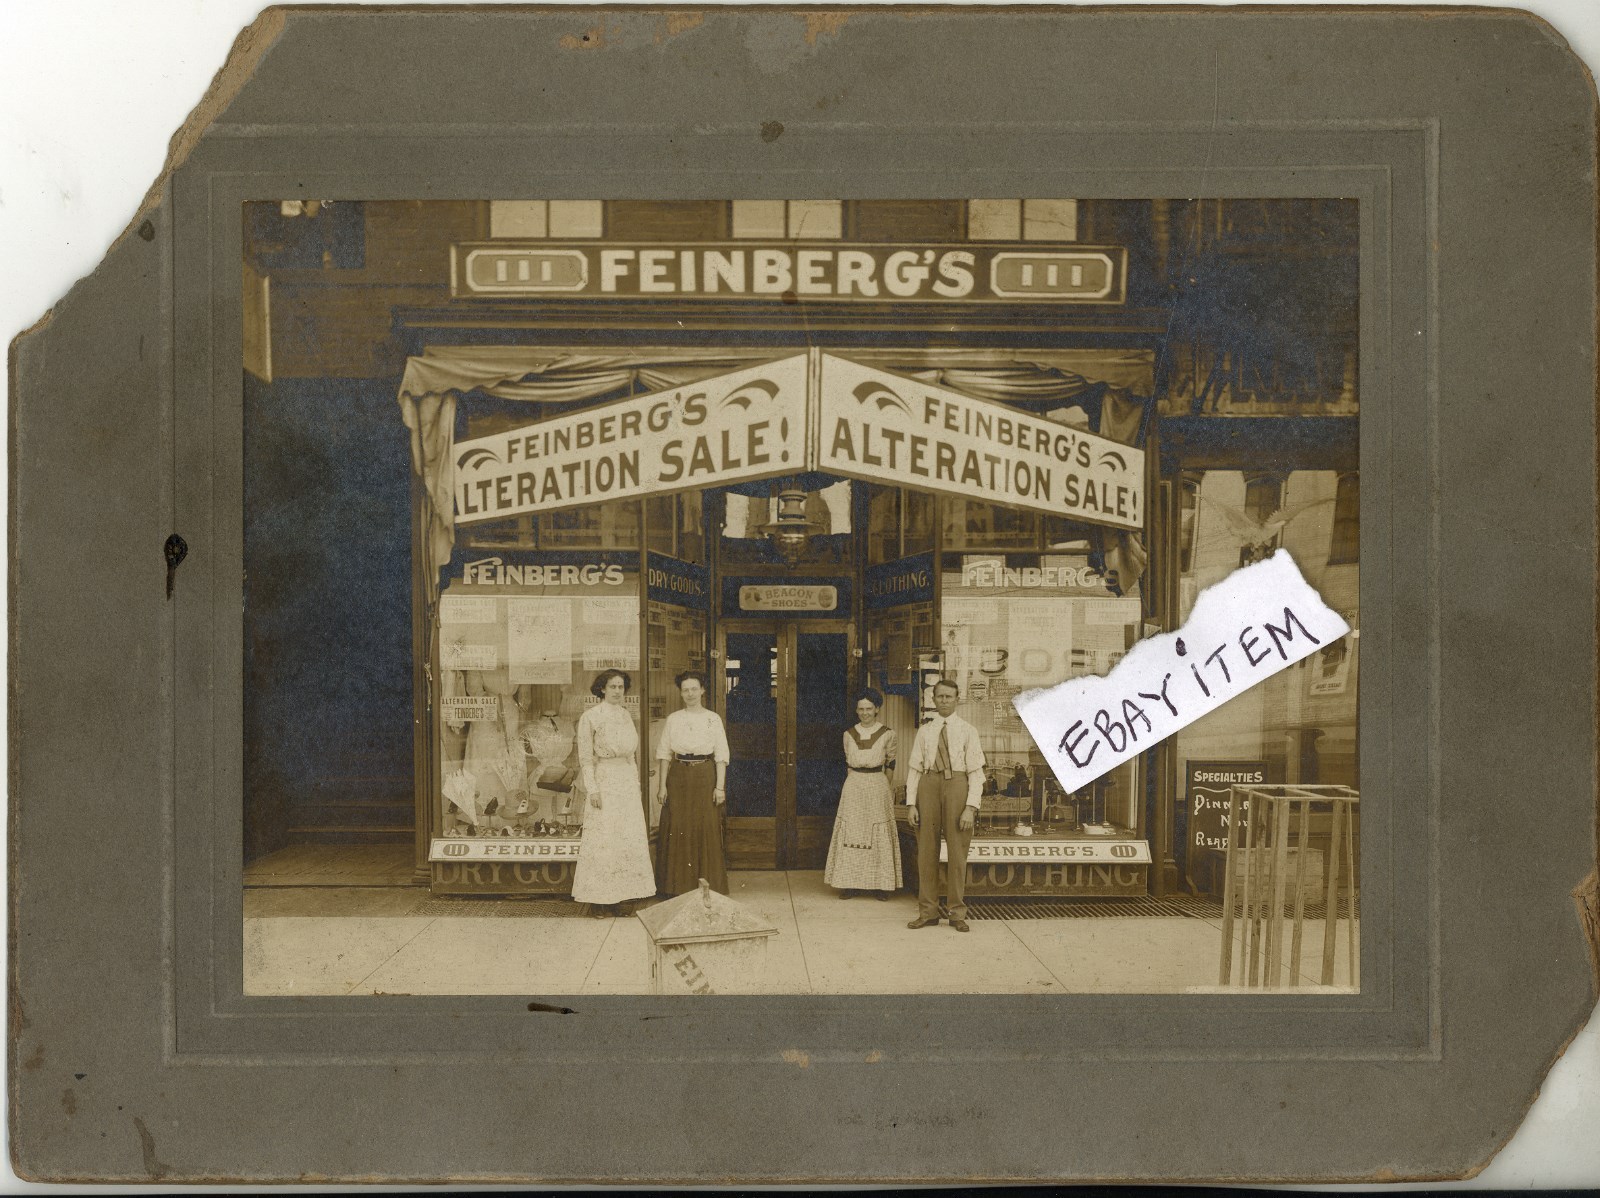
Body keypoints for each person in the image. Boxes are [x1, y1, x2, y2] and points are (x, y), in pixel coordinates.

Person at [571, 670, 656, 917]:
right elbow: (586, 758)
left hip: (625, 783)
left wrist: (635, 785)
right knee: (604, 839)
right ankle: (599, 900)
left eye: (621, 687)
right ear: (602, 689)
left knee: (625, 838)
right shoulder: (591, 717)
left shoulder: (626, 715)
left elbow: (631, 756)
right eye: (613, 686)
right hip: (605, 780)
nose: (618, 691)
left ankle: (621, 897)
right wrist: (593, 789)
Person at [904, 679, 986, 932]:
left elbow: (976, 773)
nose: (944, 701)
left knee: (957, 853)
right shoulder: (925, 731)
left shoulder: (968, 730)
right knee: (926, 851)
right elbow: (914, 769)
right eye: (940, 696)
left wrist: (970, 807)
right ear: (933, 699)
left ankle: (956, 912)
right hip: (928, 785)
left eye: (949, 697)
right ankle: (928, 912)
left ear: (957, 699)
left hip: (957, 785)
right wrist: (911, 803)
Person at [653, 670, 730, 895]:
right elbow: (664, 754)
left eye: (694, 689)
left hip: (705, 775)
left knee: (705, 826)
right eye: (685, 690)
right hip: (678, 776)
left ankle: (708, 886)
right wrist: (662, 786)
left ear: (702, 690)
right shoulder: (674, 719)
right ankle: (675, 887)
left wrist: (720, 787)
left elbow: (721, 755)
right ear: (680, 693)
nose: (690, 694)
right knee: (677, 826)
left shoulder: (712, 719)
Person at [823, 687, 901, 900]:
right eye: (861, 709)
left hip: (877, 783)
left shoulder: (888, 734)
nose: (865, 713)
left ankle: (881, 885)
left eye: (869, 708)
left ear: (877, 709)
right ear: (856, 710)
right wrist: (855, 783)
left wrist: (884, 788)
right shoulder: (848, 734)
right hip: (854, 784)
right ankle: (850, 883)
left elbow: (891, 762)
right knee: (853, 829)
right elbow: (849, 763)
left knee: (877, 830)